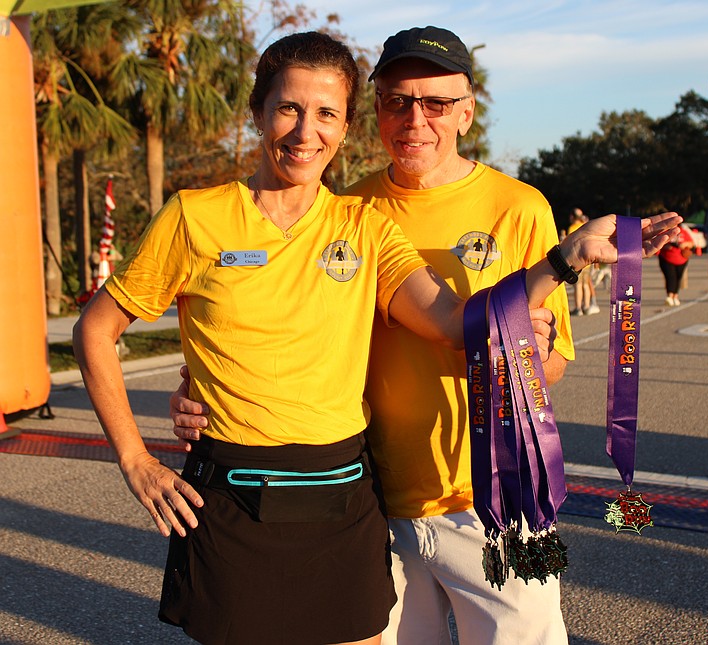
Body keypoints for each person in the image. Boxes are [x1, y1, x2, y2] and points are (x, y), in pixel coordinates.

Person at [166, 27, 681, 645]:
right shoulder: (345, 209)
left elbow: (553, 367)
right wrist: (205, 389)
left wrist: (525, 347)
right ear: (375, 112)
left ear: (467, 111)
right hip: (372, 504)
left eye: (436, 103)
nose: (415, 119)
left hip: (498, 505)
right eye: (396, 101)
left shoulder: (519, 207)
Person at [567, 208, 600, 316]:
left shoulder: (572, 228)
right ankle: (586, 305)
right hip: (587, 261)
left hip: (577, 261)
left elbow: (570, 245)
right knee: (585, 284)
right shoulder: (585, 226)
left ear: (572, 217)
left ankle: (578, 307)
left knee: (577, 285)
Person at [658, 222, 695, 306]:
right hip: (667, 258)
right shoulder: (665, 232)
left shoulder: (683, 232)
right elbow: (659, 244)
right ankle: (669, 296)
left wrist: (684, 244)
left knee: (678, 277)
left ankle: (675, 296)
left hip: (681, 259)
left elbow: (691, 243)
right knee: (670, 277)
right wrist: (666, 246)